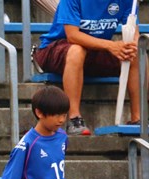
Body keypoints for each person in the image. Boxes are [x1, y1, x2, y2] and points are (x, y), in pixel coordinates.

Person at [35, 0, 139, 135]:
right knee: (77, 51)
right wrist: (111, 45)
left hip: (95, 50)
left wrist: (132, 45)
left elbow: (134, 34)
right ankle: (74, 119)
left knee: (135, 55)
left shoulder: (128, 1)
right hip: (56, 48)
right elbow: (72, 36)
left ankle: (138, 120)